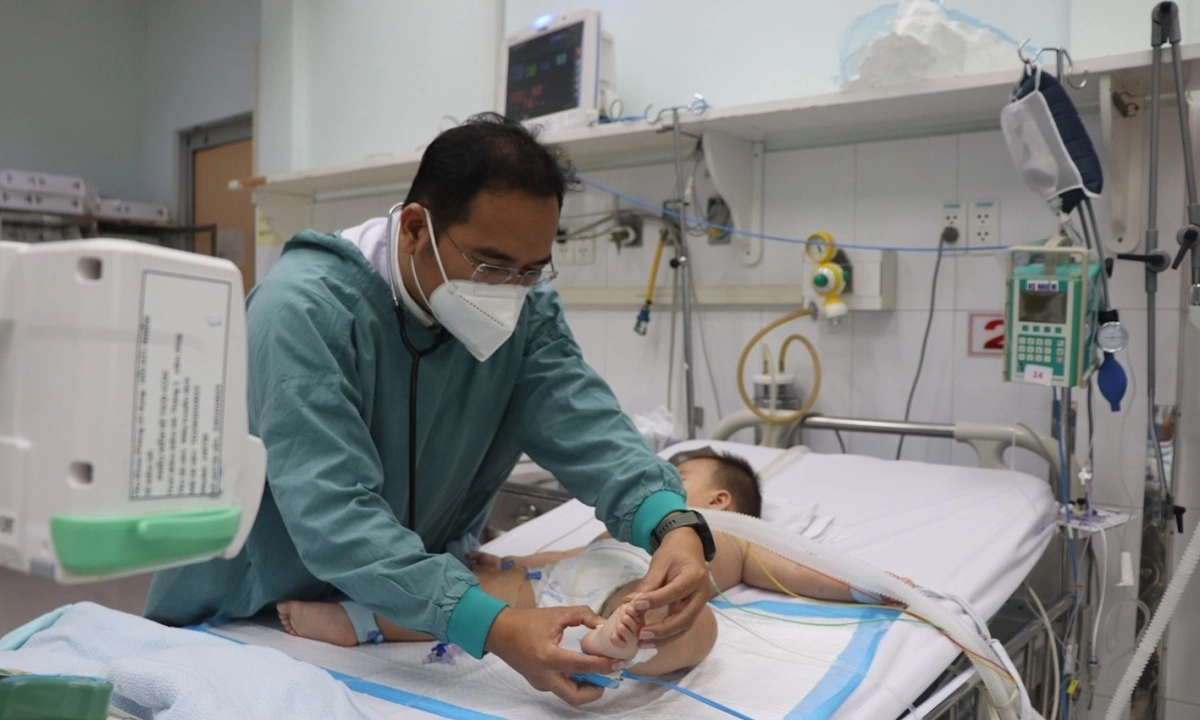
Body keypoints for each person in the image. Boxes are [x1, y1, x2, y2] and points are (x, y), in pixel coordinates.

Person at [143, 113, 714, 707]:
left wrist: (672, 524)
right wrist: (493, 626)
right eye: (491, 266)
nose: (510, 291)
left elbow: (586, 424)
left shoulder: (526, 316)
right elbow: (334, 513)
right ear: (416, 228)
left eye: (530, 270)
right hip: (247, 613)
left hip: (399, 607)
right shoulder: (303, 312)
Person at [276, 449, 906, 679]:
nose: (662, 485)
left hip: (636, 591)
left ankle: (622, 639)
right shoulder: (628, 524)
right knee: (469, 591)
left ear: (718, 501)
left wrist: (870, 584)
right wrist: (514, 559)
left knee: (695, 627)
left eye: (679, 475)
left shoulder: (727, 534)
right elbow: (570, 557)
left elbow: (797, 567)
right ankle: (360, 621)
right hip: (560, 584)